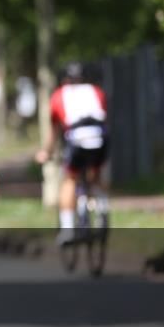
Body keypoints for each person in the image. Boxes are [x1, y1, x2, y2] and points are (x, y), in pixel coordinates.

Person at [34, 62, 109, 245]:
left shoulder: (59, 95)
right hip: (101, 139)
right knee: (95, 175)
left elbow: (54, 130)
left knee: (70, 180)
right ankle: (102, 210)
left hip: (77, 141)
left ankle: (67, 231)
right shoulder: (97, 92)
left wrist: (46, 152)